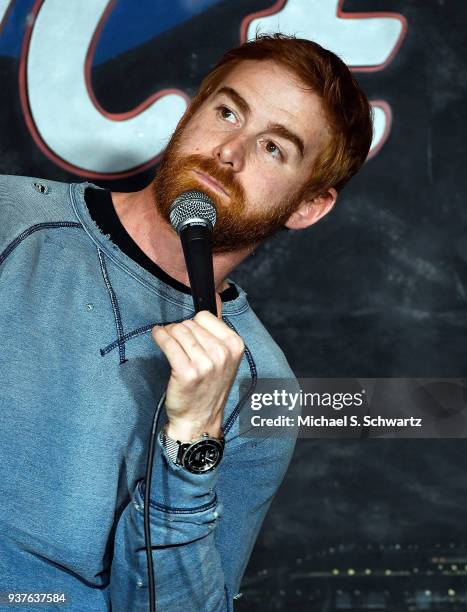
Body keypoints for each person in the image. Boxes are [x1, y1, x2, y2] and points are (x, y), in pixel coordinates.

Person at [0, 33, 372, 610]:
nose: (229, 151)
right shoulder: (12, 218)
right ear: (189, 114)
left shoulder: (263, 387)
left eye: (274, 148)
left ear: (308, 206)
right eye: (227, 112)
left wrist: (192, 445)